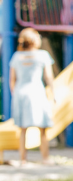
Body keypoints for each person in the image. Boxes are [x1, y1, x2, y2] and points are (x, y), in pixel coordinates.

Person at [8, 28, 55, 164]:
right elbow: (49, 77)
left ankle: (23, 160)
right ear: (35, 40)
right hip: (36, 92)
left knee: (22, 129)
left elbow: (12, 80)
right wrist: (53, 92)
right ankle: (45, 158)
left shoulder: (16, 56)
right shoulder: (43, 55)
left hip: (20, 93)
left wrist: (14, 94)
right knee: (43, 128)